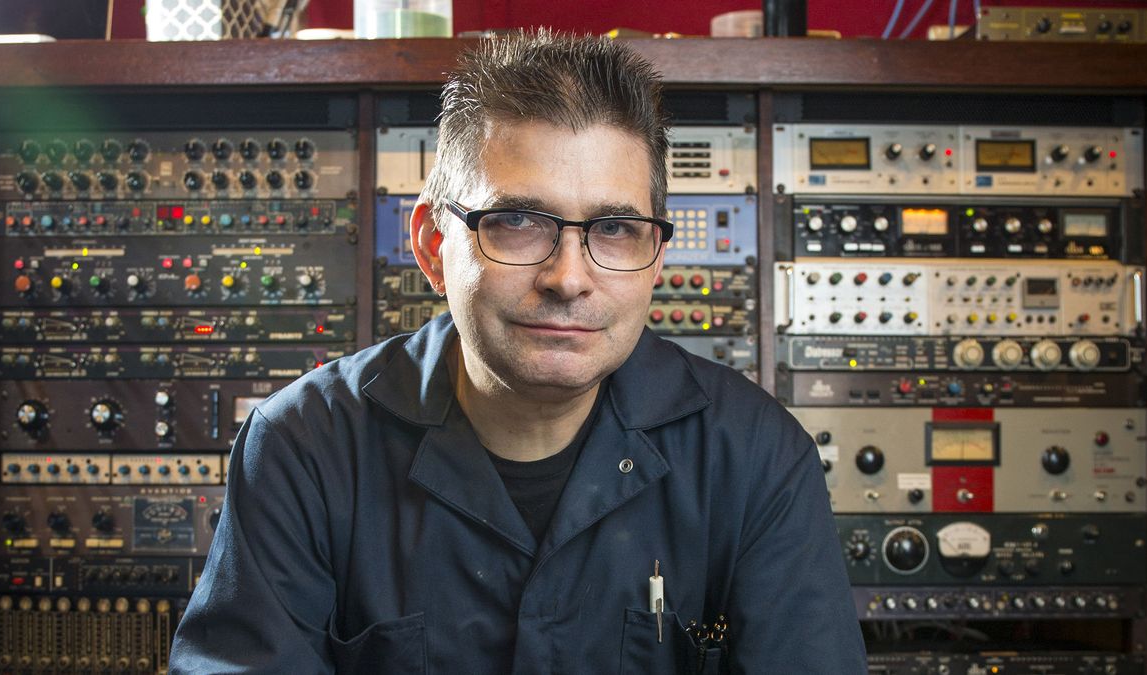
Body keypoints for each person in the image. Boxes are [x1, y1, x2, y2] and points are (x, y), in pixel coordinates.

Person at [170, 29, 866, 673]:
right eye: (516, 222)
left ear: (657, 259)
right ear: (433, 246)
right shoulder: (302, 448)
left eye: (616, 227)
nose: (568, 277)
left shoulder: (757, 459)